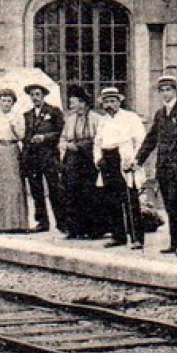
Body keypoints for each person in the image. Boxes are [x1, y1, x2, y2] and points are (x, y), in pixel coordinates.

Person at [136, 76, 177, 256]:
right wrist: (138, 159)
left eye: (169, 89)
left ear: (175, 91)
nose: (166, 93)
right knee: (169, 204)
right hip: (163, 164)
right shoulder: (160, 114)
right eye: (162, 90)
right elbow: (151, 138)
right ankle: (174, 241)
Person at [97, 86, 147, 248]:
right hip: (107, 158)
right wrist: (97, 159)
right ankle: (118, 236)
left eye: (113, 101)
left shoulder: (130, 118)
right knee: (112, 198)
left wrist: (134, 160)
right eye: (106, 102)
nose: (110, 104)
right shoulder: (102, 120)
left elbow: (140, 140)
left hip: (124, 158)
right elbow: (97, 142)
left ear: (119, 102)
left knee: (130, 199)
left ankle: (136, 238)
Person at [0, 89, 30, 233]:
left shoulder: (18, 116)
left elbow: (22, 136)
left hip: (11, 151)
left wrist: (14, 125)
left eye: (9, 101)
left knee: (13, 187)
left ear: (13, 103)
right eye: (3, 100)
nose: (6, 104)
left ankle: (14, 223)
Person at [57, 85, 104, 238]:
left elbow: (99, 139)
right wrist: (66, 145)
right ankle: (74, 229)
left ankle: (93, 230)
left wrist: (81, 146)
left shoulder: (97, 119)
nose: (71, 105)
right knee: (71, 193)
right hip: (73, 162)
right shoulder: (70, 120)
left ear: (83, 103)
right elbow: (63, 138)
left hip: (89, 161)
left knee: (90, 194)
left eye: (73, 102)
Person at [21, 83, 64, 233]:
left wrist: (44, 137)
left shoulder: (53, 112)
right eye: (32, 95)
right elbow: (24, 136)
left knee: (55, 189)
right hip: (33, 159)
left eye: (38, 94)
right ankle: (42, 222)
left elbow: (60, 132)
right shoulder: (27, 115)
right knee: (36, 191)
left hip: (49, 157)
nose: (35, 98)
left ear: (43, 95)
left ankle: (62, 222)